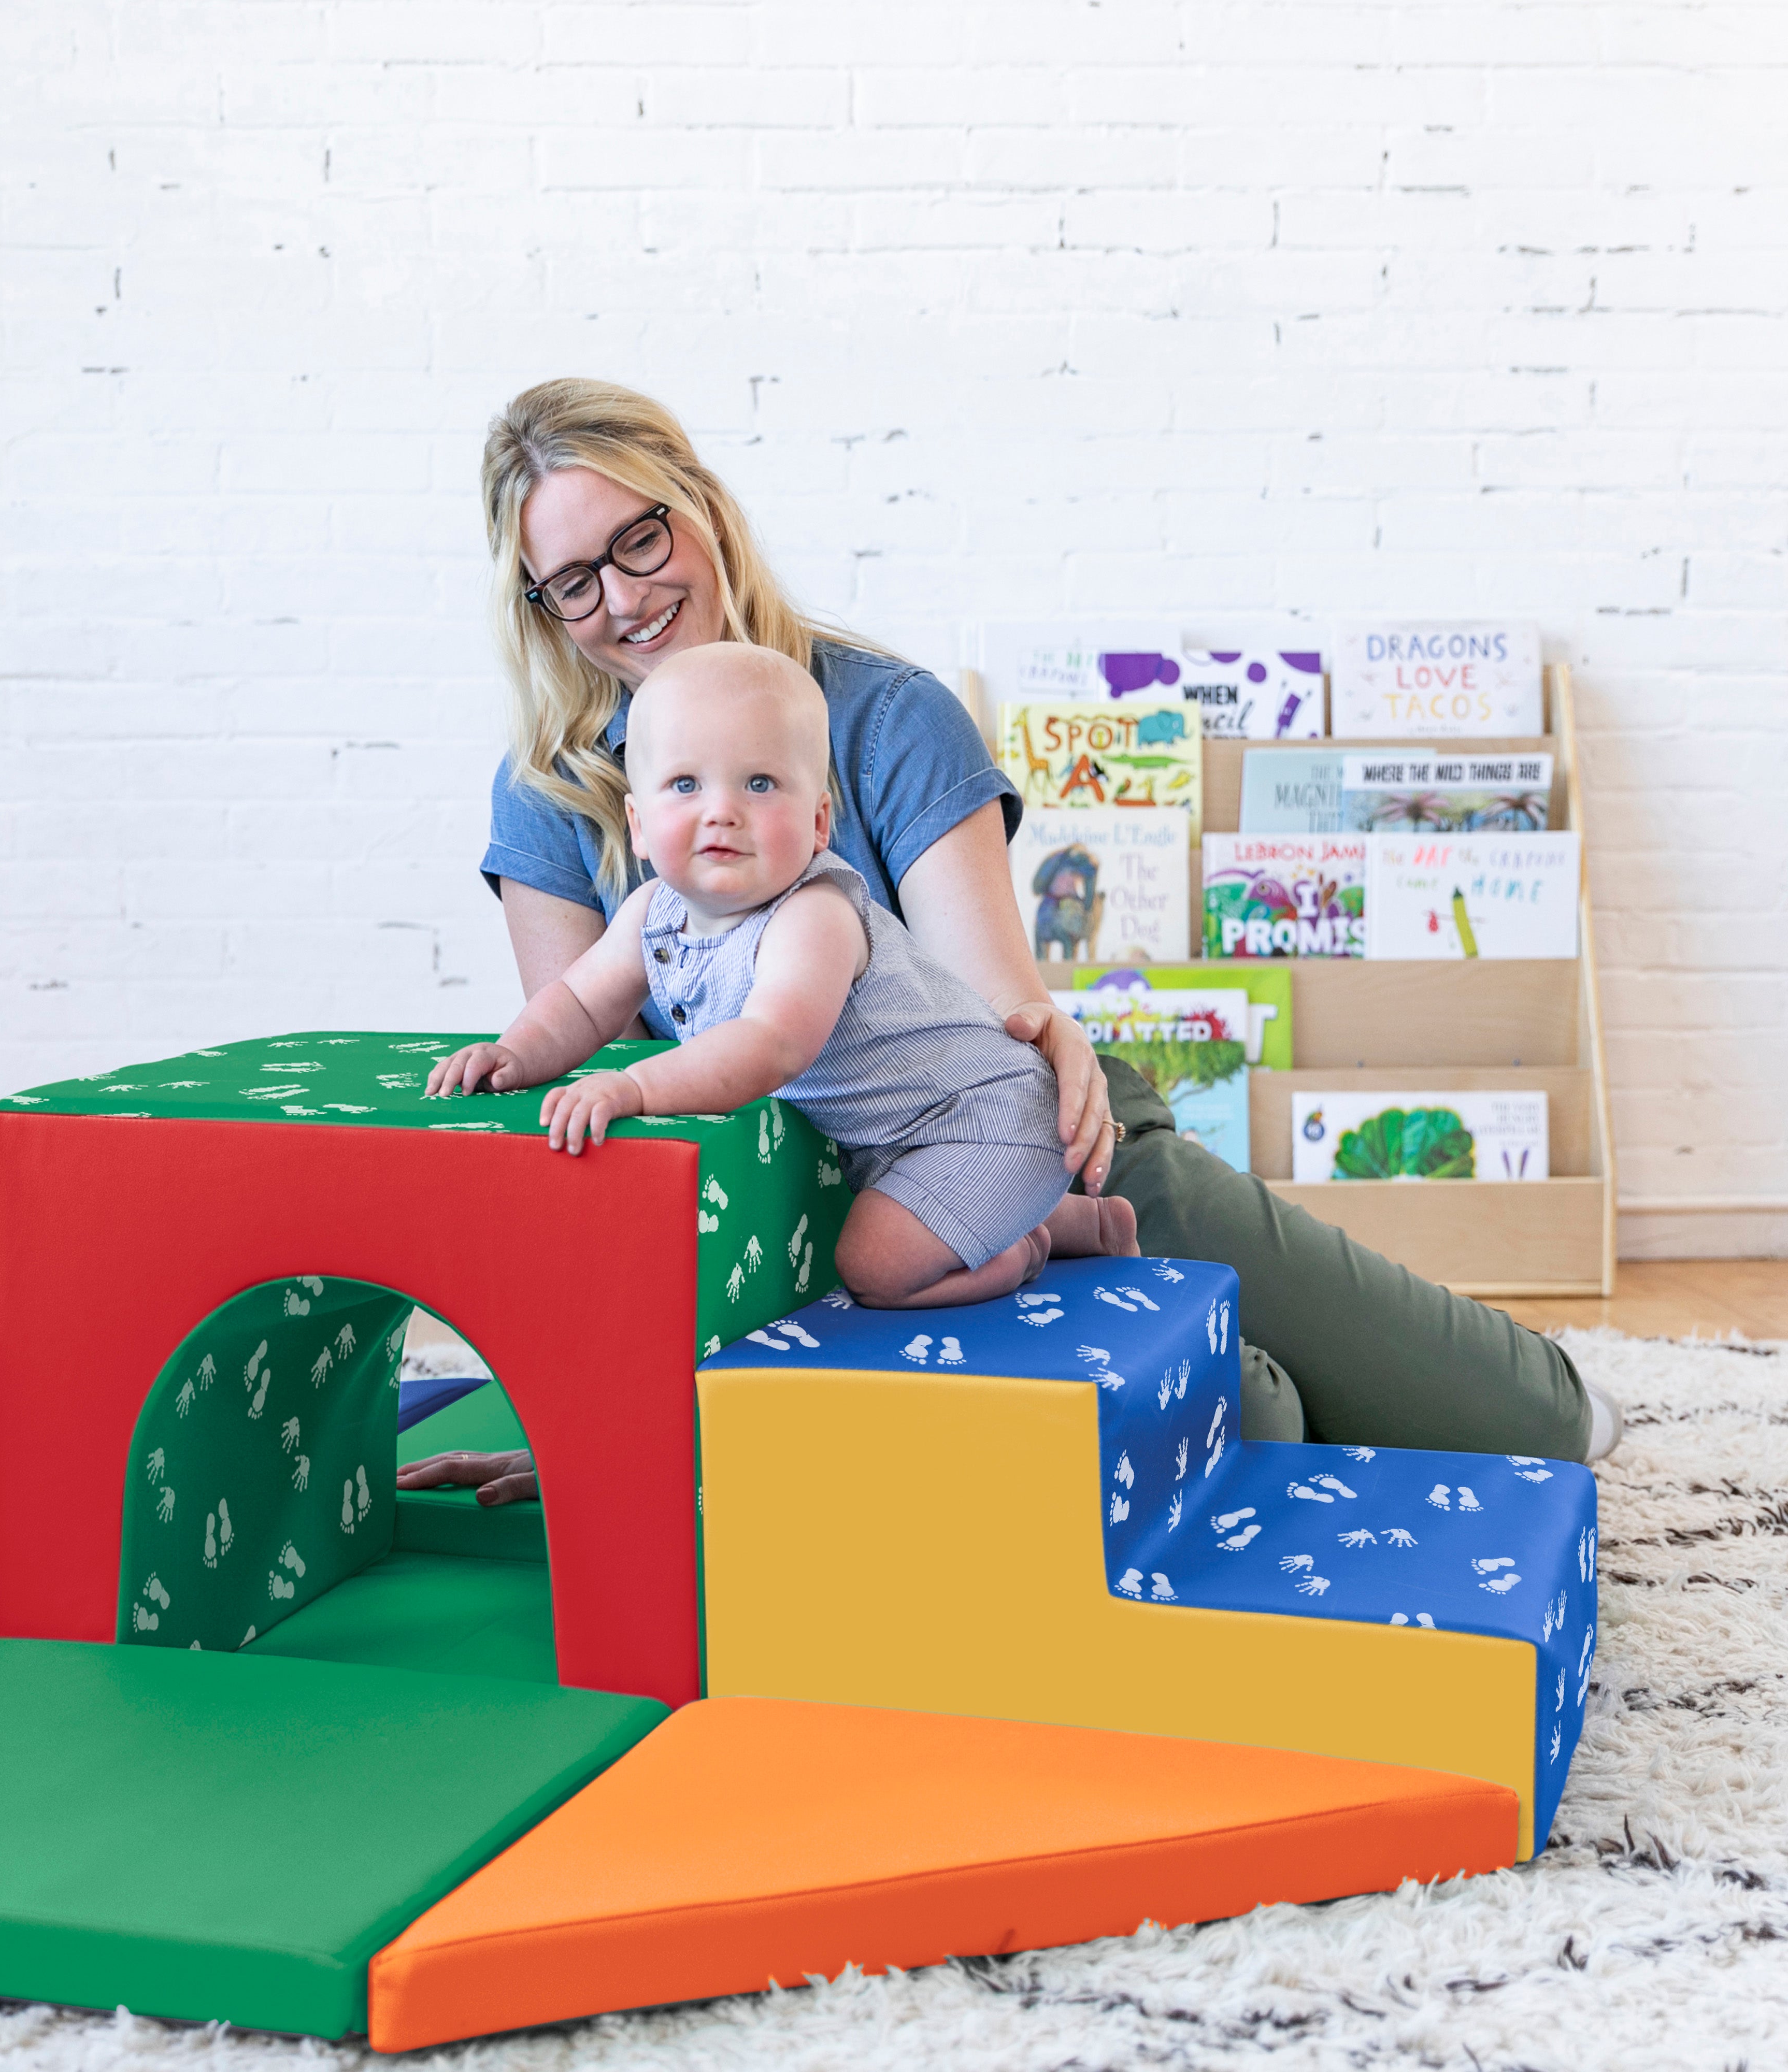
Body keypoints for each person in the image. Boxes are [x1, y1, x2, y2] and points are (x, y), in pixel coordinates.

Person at [399, 377, 1615, 1511]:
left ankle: (1206, 1304)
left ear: (702, 511)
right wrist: (607, 1419)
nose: (620, 598)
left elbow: (996, 1008)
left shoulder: (881, 711)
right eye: (570, 579)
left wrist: (1044, 1065)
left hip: (1006, 1147)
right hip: (806, 1242)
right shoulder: (555, 793)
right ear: (541, 608)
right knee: (1243, 1407)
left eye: (638, 539)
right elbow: (575, 1117)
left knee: (1529, 1423)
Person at [426, 644, 1141, 1307]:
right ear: (638, 824)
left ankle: (1022, 1246)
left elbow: (772, 1043)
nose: (722, 812)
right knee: (852, 1207)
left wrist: (636, 1086)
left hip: (980, 1121)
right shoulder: (652, 912)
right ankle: (1078, 1222)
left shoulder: (814, 915)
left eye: (760, 783)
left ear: (819, 821)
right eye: (685, 784)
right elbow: (580, 1003)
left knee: (869, 1266)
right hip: (892, 1139)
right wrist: (516, 1053)